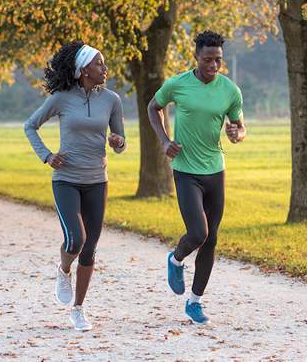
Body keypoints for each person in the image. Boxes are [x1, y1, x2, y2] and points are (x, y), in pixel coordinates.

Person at [24, 41, 126, 331]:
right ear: (83, 70)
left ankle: (78, 309)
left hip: (97, 180)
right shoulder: (60, 98)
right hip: (66, 180)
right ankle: (63, 268)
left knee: (90, 248)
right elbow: (30, 125)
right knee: (75, 240)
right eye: (98, 63)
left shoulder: (112, 100)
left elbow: (120, 140)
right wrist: (47, 156)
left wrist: (118, 142)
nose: (104, 67)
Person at [147, 30, 246, 324]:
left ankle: (195, 302)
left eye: (218, 60)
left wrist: (236, 133)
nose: (213, 66)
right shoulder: (178, 84)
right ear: (196, 56)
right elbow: (154, 107)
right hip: (186, 170)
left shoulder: (230, 90)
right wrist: (165, 141)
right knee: (198, 233)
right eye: (207, 60)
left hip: (215, 169)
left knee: (211, 239)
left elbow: (240, 127)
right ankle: (176, 259)